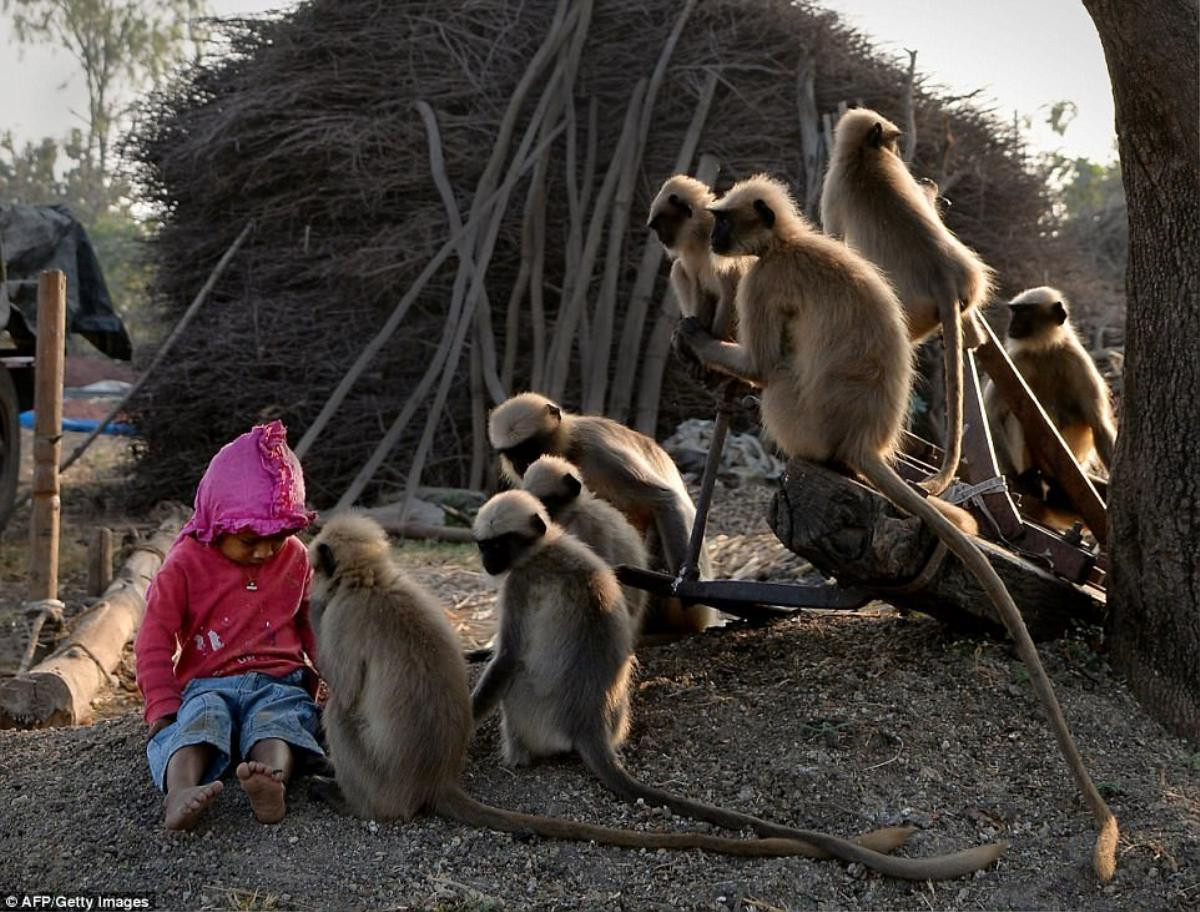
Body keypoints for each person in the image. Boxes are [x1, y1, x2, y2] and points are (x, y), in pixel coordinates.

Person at [135, 420, 321, 830]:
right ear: (217, 521)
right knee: (198, 723)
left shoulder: (295, 558)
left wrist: (335, 678)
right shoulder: (185, 564)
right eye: (250, 539)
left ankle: (271, 780)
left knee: (281, 721)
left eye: (276, 536)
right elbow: (154, 640)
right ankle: (180, 790)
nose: (264, 550)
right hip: (209, 682)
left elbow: (312, 626)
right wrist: (163, 705)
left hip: (278, 680)